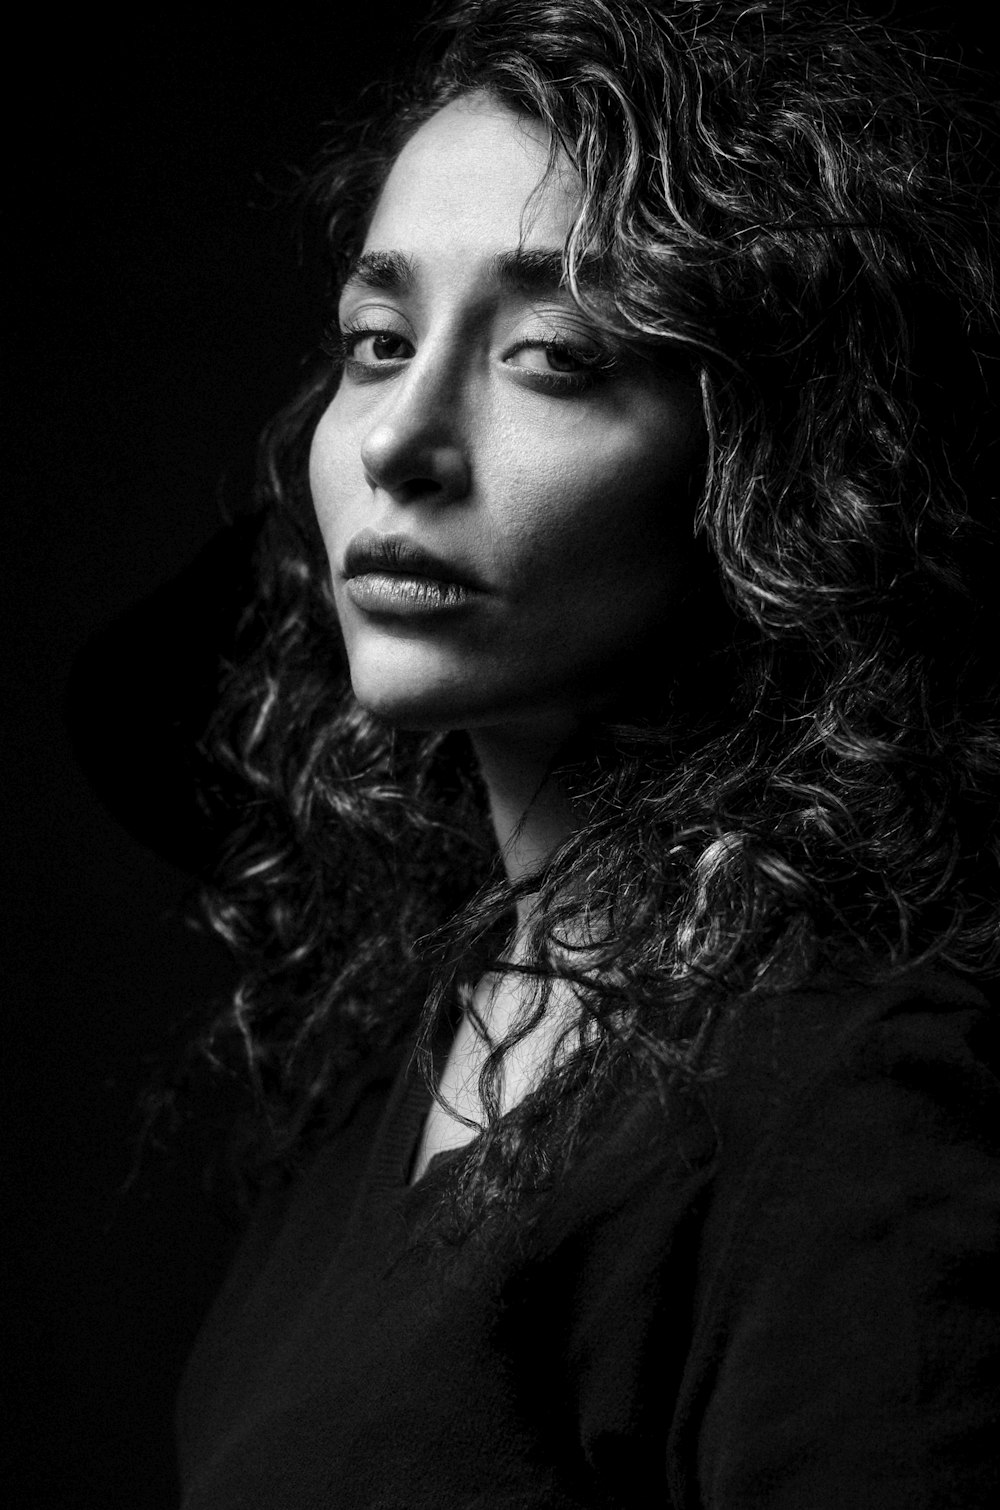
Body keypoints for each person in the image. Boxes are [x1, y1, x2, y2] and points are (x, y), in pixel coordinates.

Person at [176, 2, 1000, 1504]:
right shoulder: (413, 1046)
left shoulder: (852, 1102)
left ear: (780, 463)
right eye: (377, 341)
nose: (397, 441)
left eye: (555, 357)